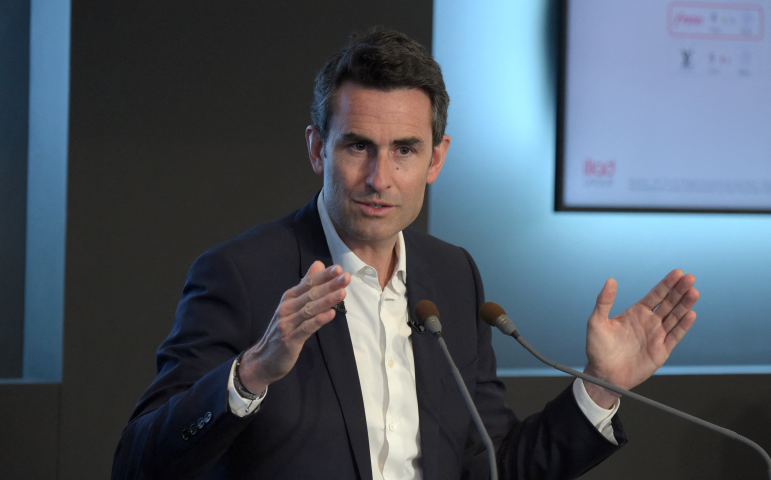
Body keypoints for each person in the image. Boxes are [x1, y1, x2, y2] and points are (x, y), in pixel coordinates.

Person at [112, 28, 699, 480]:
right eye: (358, 146)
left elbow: (492, 464)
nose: (379, 178)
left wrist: (600, 386)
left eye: (405, 150)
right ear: (318, 149)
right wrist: (249, 375)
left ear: (436, 160)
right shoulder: (242, 275)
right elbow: (139, 462)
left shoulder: (452, 275)